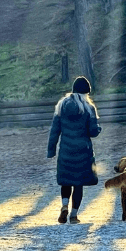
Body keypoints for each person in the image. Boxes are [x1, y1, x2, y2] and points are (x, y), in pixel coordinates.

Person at [47, 76, 101, 224]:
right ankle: (73, 215)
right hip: (83, 151)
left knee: (66, 181)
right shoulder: (89, 108)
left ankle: (64, 205)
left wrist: (51, 150)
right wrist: (98, 129)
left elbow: (54, 130)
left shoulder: (61, 106)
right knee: (78, 183)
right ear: (86, 92)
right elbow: (93, 132)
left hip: (66, 150)